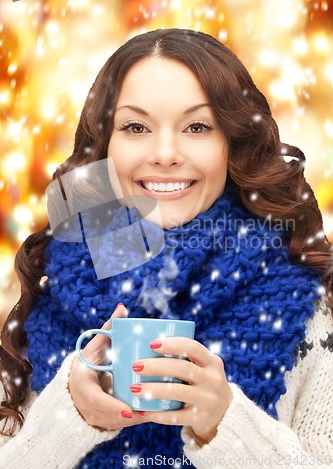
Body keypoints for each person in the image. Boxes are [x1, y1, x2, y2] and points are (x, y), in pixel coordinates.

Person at [0, 28, 332, 468]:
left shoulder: (307, 306)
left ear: (230, 143)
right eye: (136, 127)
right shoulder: (38, 290)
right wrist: (65, 418)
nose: (165, 153)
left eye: (197, 126)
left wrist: (227, 425)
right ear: (105, 146)